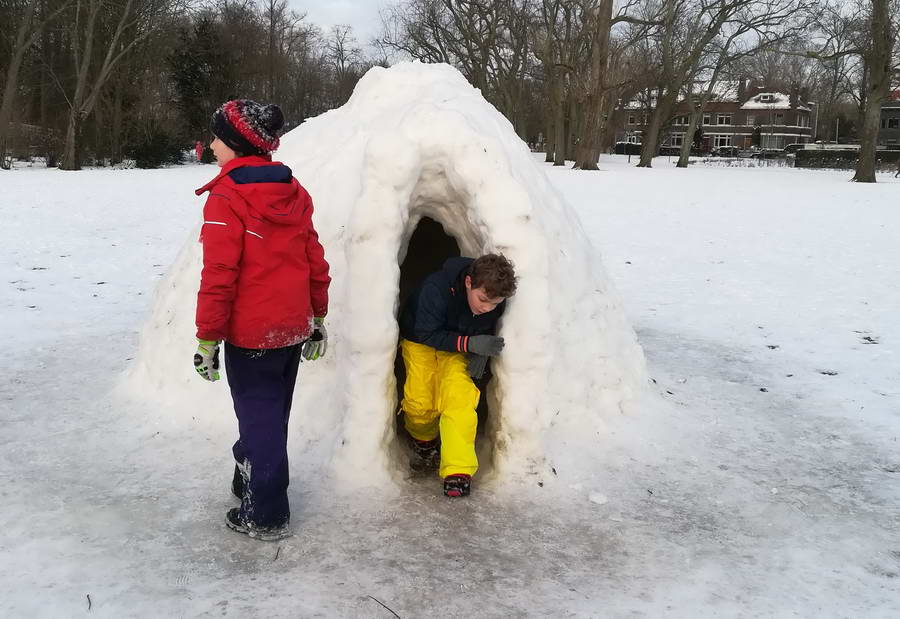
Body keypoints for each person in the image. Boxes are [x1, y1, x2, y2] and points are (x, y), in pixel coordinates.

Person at [192, 99, 330, 540]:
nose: (211, 145)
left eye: (216, 137)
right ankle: (247, 471)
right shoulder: (294, 191)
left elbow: (218, 275)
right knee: (270, 413)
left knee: (261, 416)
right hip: (291, 326)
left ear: (234, 143)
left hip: (251, 333)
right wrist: (317, 315)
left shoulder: (227, 197)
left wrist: (208, 339)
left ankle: (267, 514)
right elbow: (314, 259)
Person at [398, 253, 517, 497]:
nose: (487, 308)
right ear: (468, 283)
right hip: (421, 341)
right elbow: (426, 333)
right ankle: (425, 441)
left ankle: (458, 470)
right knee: (419, 403)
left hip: (457, 348)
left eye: (494, 305)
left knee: (460, 399)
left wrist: (481, 350)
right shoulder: (437, 289)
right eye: (483, 300)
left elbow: (485, 325)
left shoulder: (494, 298)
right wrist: (470, 343)